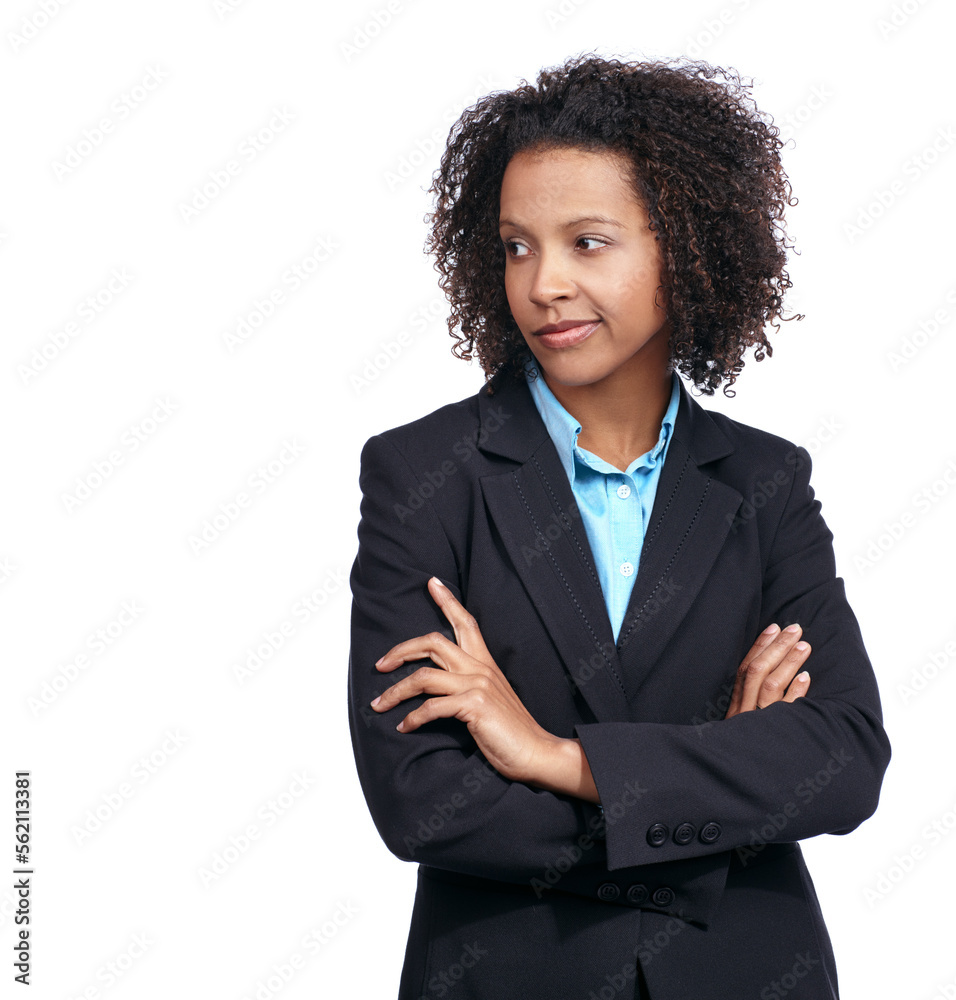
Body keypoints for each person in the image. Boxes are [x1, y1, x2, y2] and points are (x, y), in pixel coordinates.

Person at [347, 54, 891, 999]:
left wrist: (556, 758)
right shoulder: (425, 476)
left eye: (587, 242)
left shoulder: (765, 480)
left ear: (682, 244)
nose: (544, 283)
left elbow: (843, 760)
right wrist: (711, 800)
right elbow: (423, 803)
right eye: (518, 246)